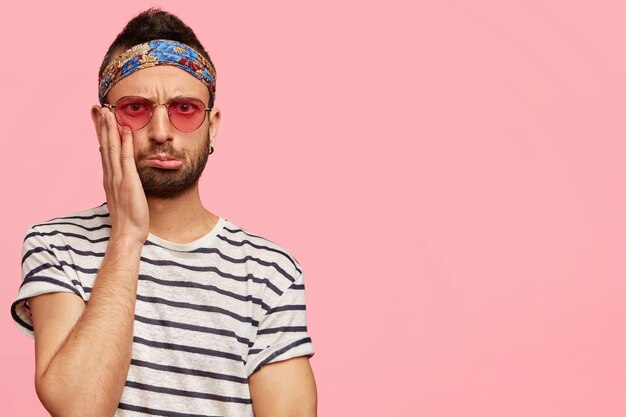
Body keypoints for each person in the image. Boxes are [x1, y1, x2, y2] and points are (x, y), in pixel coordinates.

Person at [10, 8, 317, 417]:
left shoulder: (269, 272)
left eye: (184, 109)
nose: (160, 132)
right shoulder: (56, 245)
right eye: (135, 108)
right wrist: (126, 237)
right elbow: (80, 408)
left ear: (213, 125)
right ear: (101, 122)